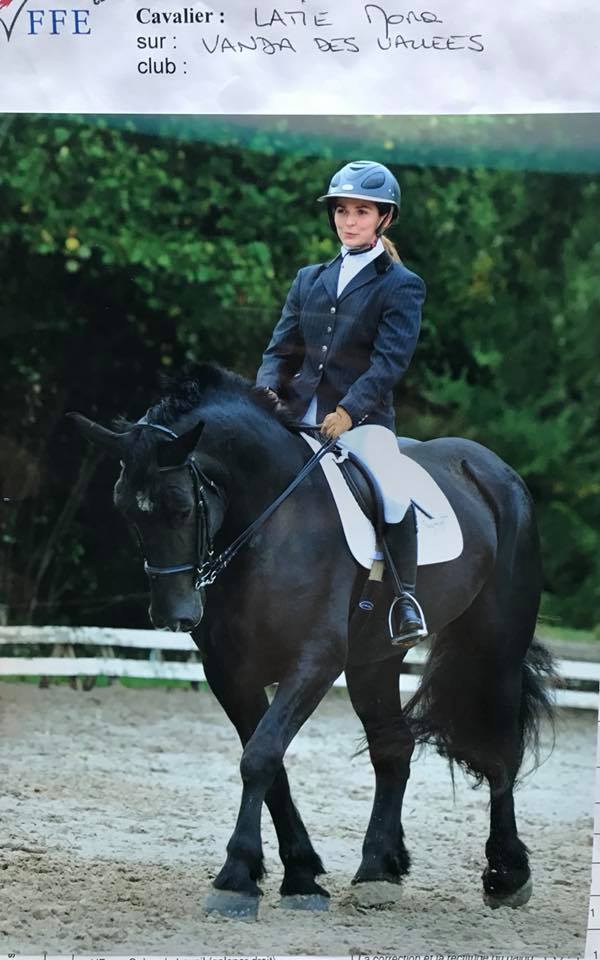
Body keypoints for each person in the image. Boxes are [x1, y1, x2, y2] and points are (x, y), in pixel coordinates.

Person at [255, 160, 427, 644]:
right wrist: (266, 391)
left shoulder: (401, 284)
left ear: (384, 219)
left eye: (362, 212)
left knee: (393, 491)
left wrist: (349, 411)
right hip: (297, 415)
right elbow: (280, 349)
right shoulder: (310, 278)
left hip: (363, 420)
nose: (349, 221)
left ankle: (404, 601)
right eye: (342, 211)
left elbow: (390, 362)